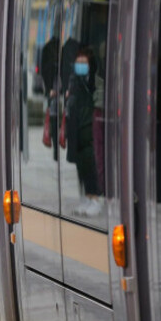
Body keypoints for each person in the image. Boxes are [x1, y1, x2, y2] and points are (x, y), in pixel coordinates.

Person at [64, 47, 101, 217]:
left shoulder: (93, 81)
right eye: (78, 62)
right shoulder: (74, 81)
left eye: (83, 62)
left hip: (87, 128)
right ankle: (86, 197)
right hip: (76, 130)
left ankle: (95, 199)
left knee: (90, 164)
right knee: (81, 166)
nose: (80, 65)